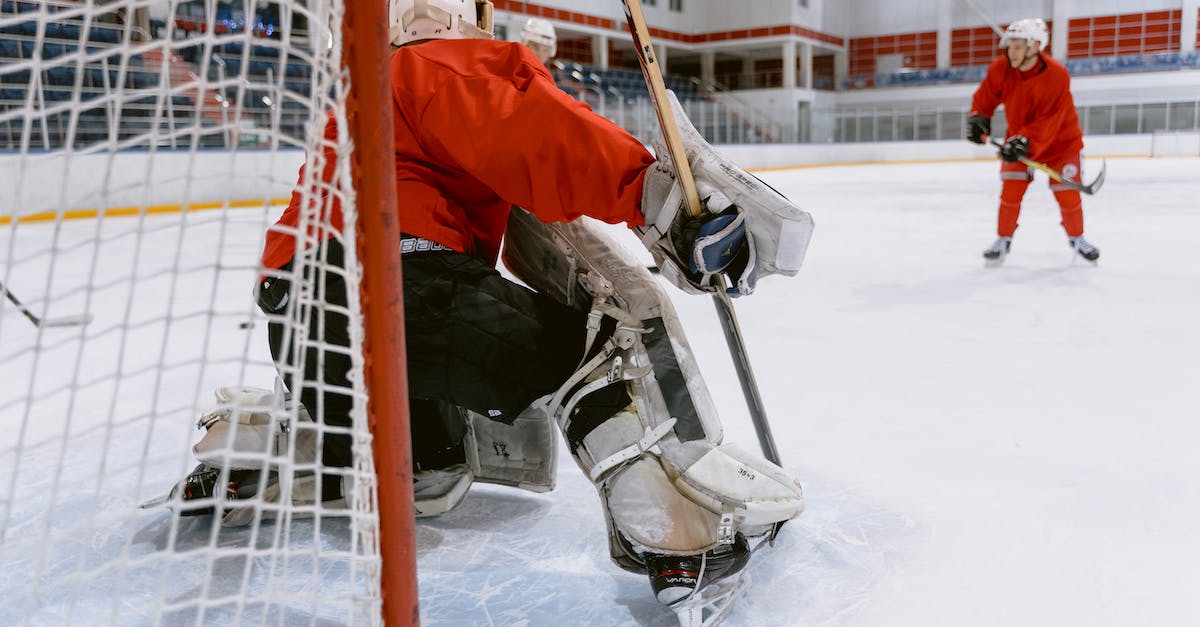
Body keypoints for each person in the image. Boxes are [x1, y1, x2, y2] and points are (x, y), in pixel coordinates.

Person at [167, 0, 813, 621]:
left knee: (436, 464)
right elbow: (535, 137)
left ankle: (281, 446)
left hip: (300, 323)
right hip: (397, 292)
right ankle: (676, 538)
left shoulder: (362, 94)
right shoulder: (433, 66)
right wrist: (655, 195)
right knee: (590, 347)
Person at [966, 18, 1100, 264]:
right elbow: (985, 97)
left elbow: (1051, 119)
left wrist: (1024, 141)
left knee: (1068, 195)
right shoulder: (1000, 69)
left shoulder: (1057, 75)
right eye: (1010, 45)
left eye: (1018, 45)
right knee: (1010, 192)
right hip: (1020, 141)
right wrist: (978, 118)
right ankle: (1003, 239)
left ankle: (1077, 237)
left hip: (1061, 144)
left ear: (1036, 46)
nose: (1011, 51)